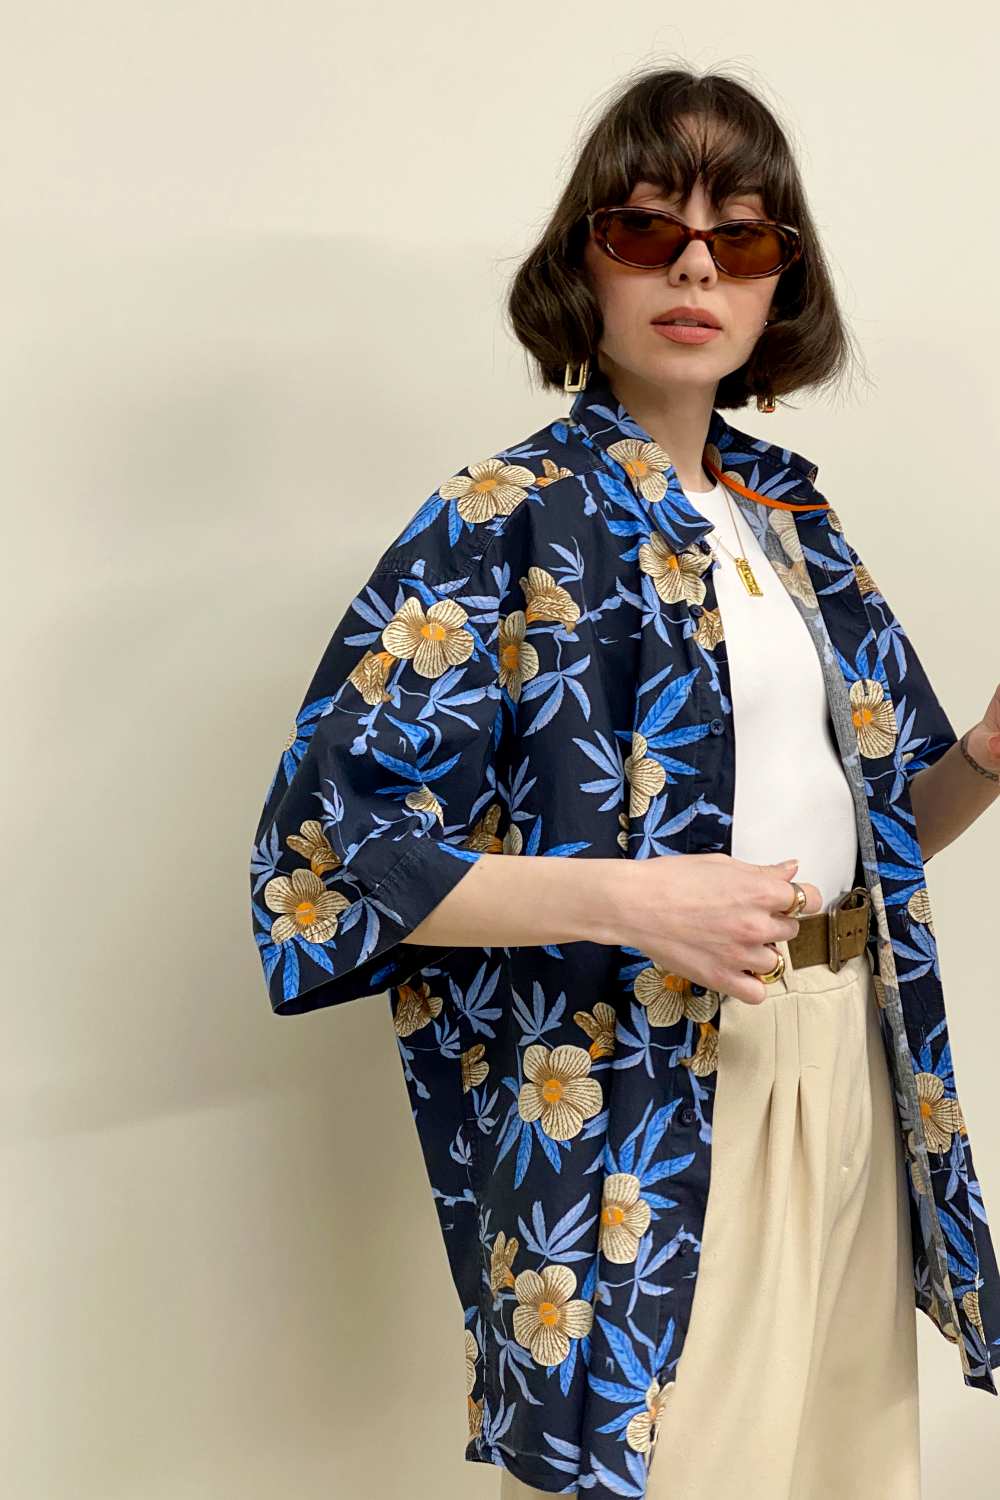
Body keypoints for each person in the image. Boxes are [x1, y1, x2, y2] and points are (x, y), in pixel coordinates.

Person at [248, 66, 1000, 1500]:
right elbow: (331, 861)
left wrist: (982, 760)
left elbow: (886, 833)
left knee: (843, 1475)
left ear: (783, 283)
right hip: (645, 1082)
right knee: (674, 1467)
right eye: (648, 230)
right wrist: (637, 901)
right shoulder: (502, 516)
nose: (696, 267)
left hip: (853, 1050)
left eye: (743, 237)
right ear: (582, 266)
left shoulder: (791, 519)